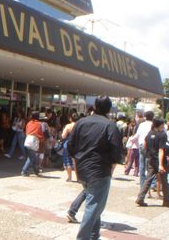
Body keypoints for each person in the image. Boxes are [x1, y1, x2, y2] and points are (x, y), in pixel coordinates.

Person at [68, 96, 121, 240]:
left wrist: (78, 160)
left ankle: (94, 236)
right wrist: (109, 163)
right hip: (100, 171)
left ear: (95, 107)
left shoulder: (80, 122)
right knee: (93, 207)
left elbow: (70, 146)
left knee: (94, 203)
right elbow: (116, 153)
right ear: (109, 109)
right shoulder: (110, 125)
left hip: (82, 170)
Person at [135, 118, 169, 207]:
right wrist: (160, 165)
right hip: (160, 161)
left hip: (151, 160)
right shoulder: (162, 135)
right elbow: (161, 150)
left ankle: (140, 198)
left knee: (148, 180)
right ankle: (166, 201)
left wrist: (147, 154)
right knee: (164, 181)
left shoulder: (150, 133)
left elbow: (144, 145)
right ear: (160, 125)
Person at [130, 111, 154, 188]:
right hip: (151, 147)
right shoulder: (153, 125)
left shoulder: (142, 125)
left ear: (145, 117)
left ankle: (142, 184)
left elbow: (137, 135)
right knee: (150, 166)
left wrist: (131, 140)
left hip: (142, 146)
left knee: (142, 165)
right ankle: (151, 184)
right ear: (152, 117)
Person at [21, 112, 45, 177]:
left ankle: (36, 171)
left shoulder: (29, 123)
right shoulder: (39, 124)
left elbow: (26, 131)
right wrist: (42, 140)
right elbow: (41, 133)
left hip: (27, 139)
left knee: (33, 157)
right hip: (34, 141)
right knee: (31, 157)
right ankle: (24, 171)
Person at [62, 113, 79, 182]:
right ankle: (78, 178)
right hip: (77, 145)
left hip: (68, 145)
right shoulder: (79, 126)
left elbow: (63, 136)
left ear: (71, 119)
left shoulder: (68, 126)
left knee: (67, 160)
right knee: (76, 162)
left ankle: (69, 177)